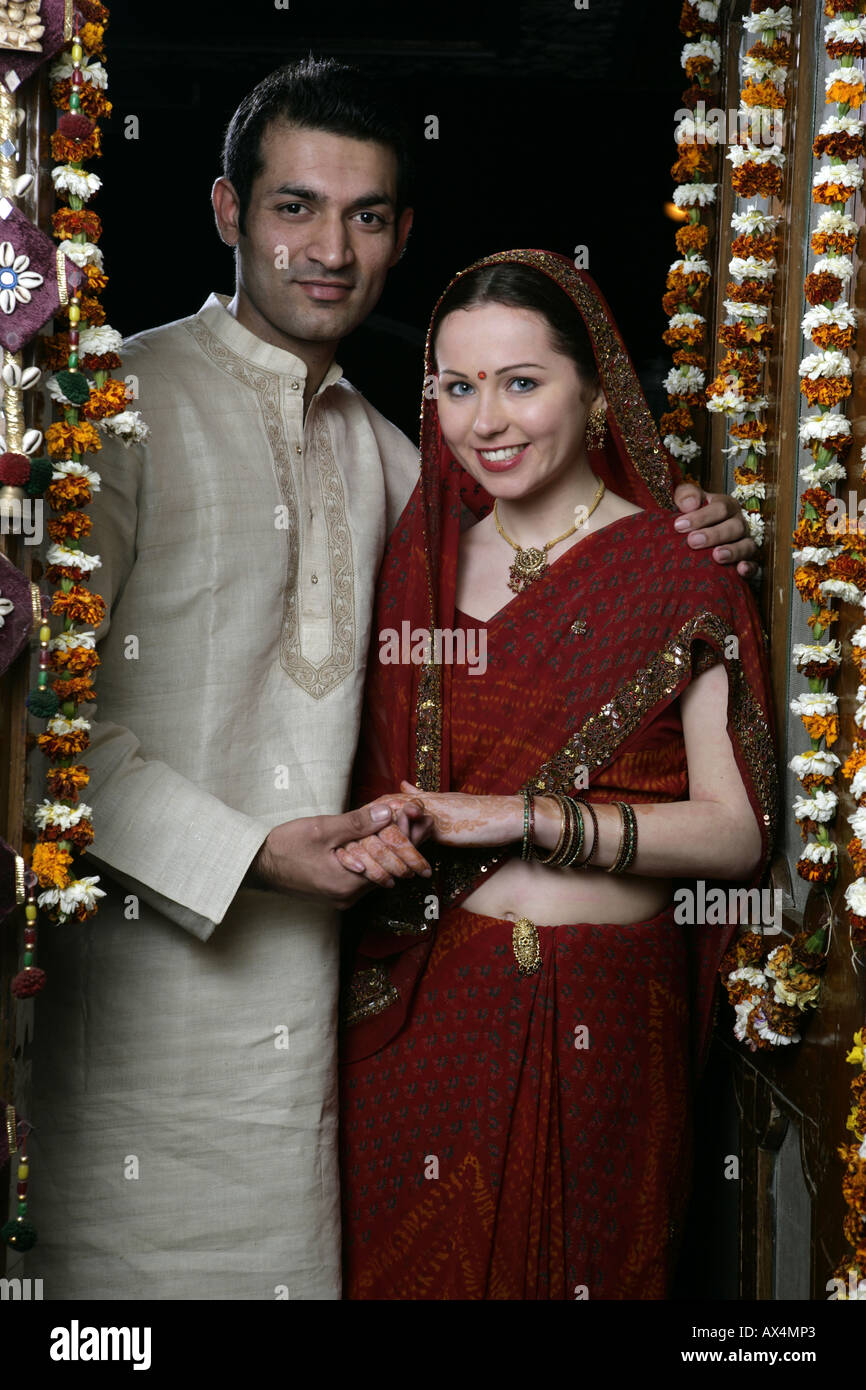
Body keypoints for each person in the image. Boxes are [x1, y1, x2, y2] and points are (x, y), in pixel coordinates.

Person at [21, 57, 757, 1301]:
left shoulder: (396, 457)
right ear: (226, 214)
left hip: (323, 1024)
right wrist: (257, 854)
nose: (329, 248)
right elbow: (44, 737)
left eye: (365, 216)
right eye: (293, 207)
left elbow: (551, 532)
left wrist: (687, 523)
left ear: (400, 235)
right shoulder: (119, 406)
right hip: (143, 1015)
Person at [338, 250, 778, 1300]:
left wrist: (523, 818)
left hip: (606, 1008)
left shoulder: (678, 565)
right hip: (424, 1008)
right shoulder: (416, 567)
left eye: (520, 382)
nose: (484, 419)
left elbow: (733, 833)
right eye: (456, 385)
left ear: (594, 394)